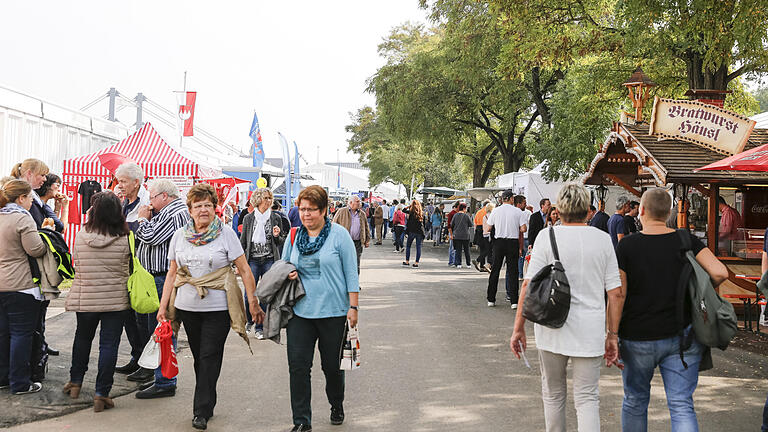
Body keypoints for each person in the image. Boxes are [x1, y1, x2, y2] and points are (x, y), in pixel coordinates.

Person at [610, 187, 728, 431]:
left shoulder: (627, 246)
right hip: (682, 335)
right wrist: (699, 289)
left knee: (634, 401)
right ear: (668, 213)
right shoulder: (687, 240)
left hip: (636, 335)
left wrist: (612, 334)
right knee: (681, 404)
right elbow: (719, 272)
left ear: (641, 211)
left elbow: (619, 294)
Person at [511, 182, 623, 432]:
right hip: (590, 330)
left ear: (559, 209)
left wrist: (519, 327)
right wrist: (612, 335)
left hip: (551, 327)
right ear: (588, 210)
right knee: (587, 399)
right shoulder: (603, 239)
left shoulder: (546, 236)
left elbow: (527, 285)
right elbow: (615, 293)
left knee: (552, 394)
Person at [156, 183, 261, 431]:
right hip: (187, 307)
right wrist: (163, 307)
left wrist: (253, 301)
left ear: (215, 208)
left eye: (208, 205)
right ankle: (208, 401)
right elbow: (172, 273)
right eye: (198, 205)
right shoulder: (179, 236)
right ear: (190, 210)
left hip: (218, 308)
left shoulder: (226, 234)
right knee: (200, 358)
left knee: (208, 355)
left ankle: (200, 410)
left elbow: (244, 270)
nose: (203, 210)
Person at [281, 185, 359, 432]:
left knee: (332, 367)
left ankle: (336, 403)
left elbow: (351, 272)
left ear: (324, 210)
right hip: (300, 313)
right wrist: (287, 273)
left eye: (311, 210)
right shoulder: (294, 236)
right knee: (298, 366)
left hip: (334, 313)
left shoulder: (339, 235)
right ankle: (301, 421)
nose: (306, 215)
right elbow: (282, 267)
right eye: (302, 209)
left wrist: (353, 306)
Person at [64, 191, 132, 411]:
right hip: (115, 299)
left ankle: (75, 382)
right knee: (109, 345)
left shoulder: (82, 234)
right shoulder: (125, 237)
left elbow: (78, 263)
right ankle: (101, 393)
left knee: (82, 338)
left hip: (87, 297)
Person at [132, 179, 191, 399]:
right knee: (157, 331)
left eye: (152, 196)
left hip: (163, 278)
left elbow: (150, 236)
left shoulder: (174, 213)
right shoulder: (166, 212)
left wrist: (141, 219)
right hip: (156, 278)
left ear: (164, 196)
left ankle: (165, 381)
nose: (150, 201)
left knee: (163, 331)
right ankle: (159, 377)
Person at [0, 179, 48, 395]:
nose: (31, 202)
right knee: (21, 334)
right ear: (21, 198)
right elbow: (35, 249)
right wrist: (46, 236)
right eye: (29, 197)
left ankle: (3, 377)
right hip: (20, 284)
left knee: (3, 334)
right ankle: (19, 383)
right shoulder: (22, 218)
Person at [114, 162, 152, 380]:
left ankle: (147, 364)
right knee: (128, 316)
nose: (119, 185)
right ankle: (137, 357)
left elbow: (140, 232)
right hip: (124, 268)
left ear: (136, 182)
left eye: (123, 181)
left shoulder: (147, 203)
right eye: (119, 181)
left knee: (142, 317)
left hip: (140, 269)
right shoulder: (124, 203)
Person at [240, 188, 289, 340]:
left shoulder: (276, 217)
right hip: (252, 260)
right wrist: (238, 263)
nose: (269, 201)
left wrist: (277, 235)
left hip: (269, 259)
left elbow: (281, 240)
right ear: (258, 199)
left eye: (270, 198)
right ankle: (249, 320)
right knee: (249, 294)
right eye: (266, 198)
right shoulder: (249, 218)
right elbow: (243, 241)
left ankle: (260, 327)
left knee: (266, 294)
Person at [484, 190, 526, 307]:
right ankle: (514, 301)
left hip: (499, 242)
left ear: (503, 199)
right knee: (513, 271)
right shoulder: (518, 211)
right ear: (511, 198)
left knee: (495, 270)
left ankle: (491, 299)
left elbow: (488, 228)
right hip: (512, 242)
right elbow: (523, 229)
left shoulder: (495, 211)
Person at [332, 195, 371, 274]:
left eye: (359, 201)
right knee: (343, 263)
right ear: (350, 202)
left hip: (358, 243)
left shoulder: (362, 214)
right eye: (357, 202)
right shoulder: (341, 211)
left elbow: (366, 227)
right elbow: (333, 225)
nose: (359, 203)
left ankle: (354, 283)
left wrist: (367, 240)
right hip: (344, 243)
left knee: (356, 263)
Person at [402, 200, 426, 268]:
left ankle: (407, 261)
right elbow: (423, 224)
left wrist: (409, 206)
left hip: (412, 231)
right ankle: (416, 263)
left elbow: (403, 210)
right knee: (418, 247)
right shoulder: (422, 213)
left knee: (408, 246)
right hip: (419, 232)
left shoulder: (411, 212)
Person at [450, 203, 473, 268]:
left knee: (458, 250)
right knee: (467, 250)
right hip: (465, 235)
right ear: (463, 209)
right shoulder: (466, 216)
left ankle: (459, 264)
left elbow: (452, 224)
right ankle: (468, 264)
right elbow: (471, 224)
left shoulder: (455, 215)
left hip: (457, 235)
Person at [475, 203, 495, 272]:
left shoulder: (484, 216)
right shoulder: (492, 216)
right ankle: (487, 263)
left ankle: (488, 265)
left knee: (487, 250)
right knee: (490, 250)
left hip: (484, 234)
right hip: (490, 234)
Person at [519, 199, 532, 280]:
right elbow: (531, 223)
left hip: (519, 237)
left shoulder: (517, 212)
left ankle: (520, 274)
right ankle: (525, 274)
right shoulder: (528, 213)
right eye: (524, 203)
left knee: (520, 257)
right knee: (526, 257)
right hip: (526, 236)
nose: (526, 204)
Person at [446, 202, 459, 266]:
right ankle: (451, 261)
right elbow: (449, 225)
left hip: (455, 232)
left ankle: (453, 261)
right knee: (452, 247)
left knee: (454, 247)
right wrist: (451, 234)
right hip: (452, 231)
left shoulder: (456, 213)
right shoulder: (452, 213)